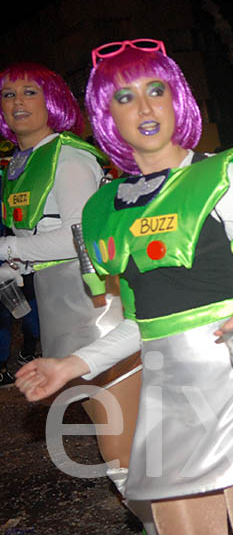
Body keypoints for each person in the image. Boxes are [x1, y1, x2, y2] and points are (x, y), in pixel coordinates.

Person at [15, 40, 233, 534]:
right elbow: (142, 324)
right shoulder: (104, 209)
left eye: (155, 89)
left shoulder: (223, 175)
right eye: (124, 97)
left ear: (176, 98)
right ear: (106, 115)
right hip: (165, 400)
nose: (145, 107)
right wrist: (70, 366)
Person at [0, 63, 142, 515]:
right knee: (107, 418)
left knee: (116, 416)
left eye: (29, 93)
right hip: (59, 294)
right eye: (8, 94)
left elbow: (82, 234)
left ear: (54, 102)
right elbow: (44, 235)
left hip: (92, 297)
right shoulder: (24, 161)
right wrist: (15, 263)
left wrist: (7, 249)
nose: (18, 102)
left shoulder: (66, 154)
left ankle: (155, 515)